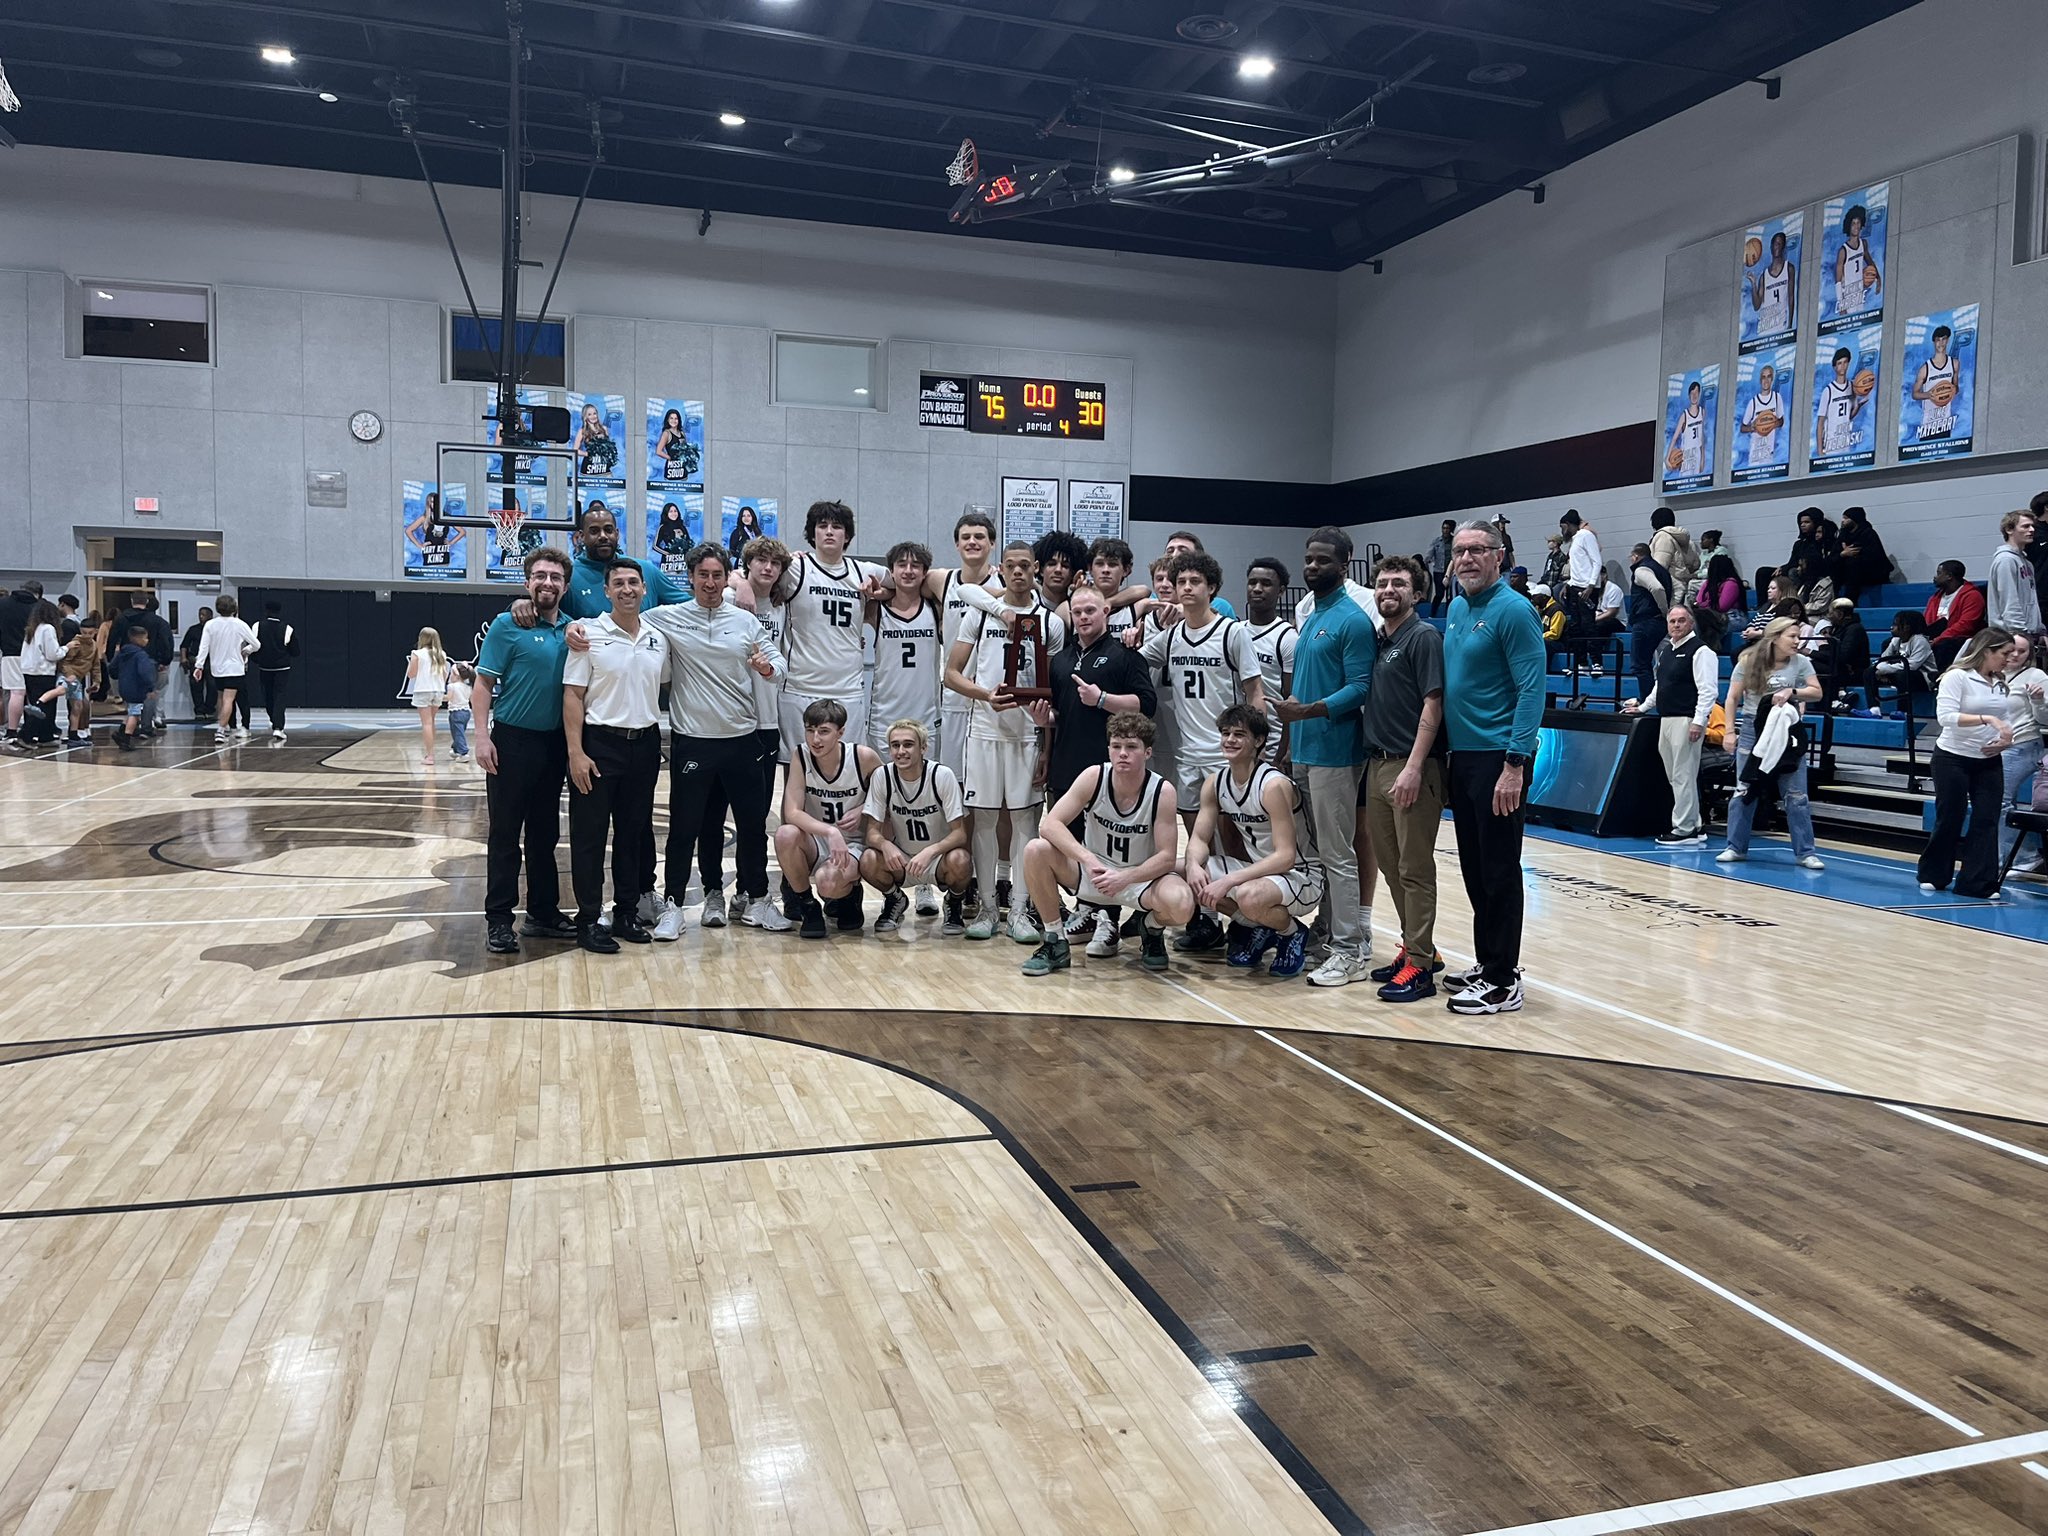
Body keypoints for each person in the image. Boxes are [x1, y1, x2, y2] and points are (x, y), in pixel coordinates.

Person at [635, 543, 785, 940]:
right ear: (691, 577)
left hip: (742, 739)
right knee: (687, 828)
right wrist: (577, 628)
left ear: (724, 579)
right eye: (703, 575)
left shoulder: (745, 621)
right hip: (694, 742)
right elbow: (625, 618)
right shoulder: (667, 617)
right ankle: (677, 904)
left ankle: (757, 899)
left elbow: (778, 662)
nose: (710, 582)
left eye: (718, 575)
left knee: (752, 826)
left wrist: (767, 668)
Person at [1131, 549, 1265, 952]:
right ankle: (1208, 920)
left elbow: (1255, 691)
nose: (1186, 588)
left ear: (1212, 588)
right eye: (1181, 582)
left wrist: (1256, 748)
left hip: (1226, 754)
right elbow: (1132, 662)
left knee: (1234, 843)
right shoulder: (1171, 637)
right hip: (1188, 755)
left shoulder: (1231, 633)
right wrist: (1131, 635)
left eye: (1195, 582)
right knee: (1198, 844)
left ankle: (1247, 921)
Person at [1442, 519, 1545, 1015]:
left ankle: (1503, 981)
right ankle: (1489, 962)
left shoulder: (1515, 610)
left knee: (1500, 869)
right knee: (1475, 867)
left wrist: (1515, 763)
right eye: (1460, 551)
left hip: (1499, 758)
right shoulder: (1457, 607)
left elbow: (1531, 689)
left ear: (1499, 556)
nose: (1467, 559)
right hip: (1463, 758)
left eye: (1477, 550)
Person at [947, 540, 1066, 941]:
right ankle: (986, 909)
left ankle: (1018, 910)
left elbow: (1053, 690)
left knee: (1024, 821)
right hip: (983, 731)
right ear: (1001, 569)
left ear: (1036, 570)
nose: (1018, 572)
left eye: (1025, 566)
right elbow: (951, 674)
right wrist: (985, 695)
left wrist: (1047, 745)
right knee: (983, 819)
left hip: (1027, 735)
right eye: (1011, 566)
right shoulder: (980, 614)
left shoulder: (1050, 623)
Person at [1274, 527, 1376, 988]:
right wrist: (1292, 734)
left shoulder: (1353, 620)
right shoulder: (1313, 613)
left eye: (1323, 560)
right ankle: (1328, 931)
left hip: (1336, 751)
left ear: (1344, 564)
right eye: (1309, 559)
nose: (1312, 566)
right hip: (1305, 749)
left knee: (1338, 853)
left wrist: (1310, 711)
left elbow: (1360, 688)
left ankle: (1351, 949)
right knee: (1317, 854)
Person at [1018, 712, 1193, 976]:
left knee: (1182, 904)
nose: (1122, 753)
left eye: (1131, 747)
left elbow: (1167, 858)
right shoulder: (1094, 776)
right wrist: (1088, 859)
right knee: (1035, 850)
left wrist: (1125, 877)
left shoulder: (1162, 791)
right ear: (1108, 748)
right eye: (1116, 746)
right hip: (1095, 873)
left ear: (1147, 752)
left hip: (1138, 878)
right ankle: (1055, 941)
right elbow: (1050, 825)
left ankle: (1151, 928)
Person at [562, 559, 669, 953]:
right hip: (599, 745)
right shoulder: (587, 634)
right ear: (606, 591)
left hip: (644, 744)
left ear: (644, 589)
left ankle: (626, 912)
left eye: (633, 583)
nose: (627, 589)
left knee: (633, 834)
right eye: (619, 583)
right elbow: (572, 695)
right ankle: (589, 919)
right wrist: (576, 752)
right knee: (589, 836)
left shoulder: (658, 638)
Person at [475, 547, 577, 956]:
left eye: (555, 577)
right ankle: (499, 919)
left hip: (553, 745)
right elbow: (483, 684)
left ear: (565, 586)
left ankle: (542, 912)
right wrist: (482, 737)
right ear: (527, 582)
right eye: (540, 576)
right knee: (504, 835)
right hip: (512, 741)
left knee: (544, 835)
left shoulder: (573, 630)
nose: (547, 583)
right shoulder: (507, 625)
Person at [1358, 555, 1446, 1002]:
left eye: (1398, 583)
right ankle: (1415, 947)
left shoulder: (1423, 636)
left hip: (1411, 766)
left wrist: (1414, 766)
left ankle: (1421, 967)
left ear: (1417, 593)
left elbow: (1434, 703)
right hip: (1376, 764)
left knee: (1414, 868)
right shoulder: (1379, 639)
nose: (1388, 590)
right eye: (1382, 583)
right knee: (1391, 866)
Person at [1183, 705, 1320, 979]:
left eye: (1239, 734)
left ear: (1258, 741)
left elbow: (1285, 857)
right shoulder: (1215, 782)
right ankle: (1261, 926)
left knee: (1248, 895)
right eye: (1225, 733)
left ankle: (1291, 933)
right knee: (1182, 875)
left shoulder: (1273, 785)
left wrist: (1229, 880)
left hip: (1301, 876)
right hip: (1260, 874)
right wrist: (1192, 866)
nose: (1230, 740)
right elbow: (1199, 838)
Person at [772, 500, 881, 757]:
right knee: (797, 766)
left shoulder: (863, 571)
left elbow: (906, 581)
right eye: (822, 526)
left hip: (848, 689)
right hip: (799, 687)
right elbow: (748, 572)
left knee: (849, 766)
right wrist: (740, 583)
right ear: (812, 534)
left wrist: (880, 592)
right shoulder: (794, 568)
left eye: (837, 526)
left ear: (847, 536)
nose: (829, 531)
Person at [1042, 583, 1157, 823]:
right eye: (1077, 612)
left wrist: (1102, 699)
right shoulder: (1060, 660)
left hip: (1111, 770)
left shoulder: (1126, 655)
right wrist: (1045, 719)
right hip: (1065, 769)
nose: (1083, 617)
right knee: (1062, 840)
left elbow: (1147, 705)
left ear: (1105, 611)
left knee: (1106, 842)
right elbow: (1062, 713)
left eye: (1090, 610)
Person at [1718, 616, 1825, 871]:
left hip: (1787, 732)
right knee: (1744, 790)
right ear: (1775, 638)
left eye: (1798, 636)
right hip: (1753, 729)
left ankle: (1805, 852)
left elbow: (1817, 691)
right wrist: (1729, 732)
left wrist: (1792, 692)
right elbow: (1732, 698)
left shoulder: (1801, 663)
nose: (1797, 641)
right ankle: (1735, 847)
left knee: (1796, 795)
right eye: (1792, 637)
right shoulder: (1748, 660)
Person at [1917, 627, 2014, 899]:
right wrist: (1987, 719)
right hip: (1952, 757)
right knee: (1950, 816)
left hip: (1989, 760)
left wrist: (2006, 739)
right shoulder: (1957, 677)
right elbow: (1946, 717)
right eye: (2004, 653)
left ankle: (1977, 882)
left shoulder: (2000, 682)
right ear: (1987, 651)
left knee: (1987, 819)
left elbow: (2007, 720)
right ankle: (1934, 874)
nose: (2009, 659)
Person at [775, 699, 881, 940]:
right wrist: (830, 832)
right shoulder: (801, 755)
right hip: (819, 840)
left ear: (840, 732)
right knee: (785, 834)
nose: (815, 739)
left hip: (853, 843)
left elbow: (889, 794)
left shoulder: (863, 757)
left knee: (828, 882)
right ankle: (808, 905)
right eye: (810, 730)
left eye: (824, 731)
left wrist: (864, 808)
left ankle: (849, 893)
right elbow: (792, 812)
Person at [860, 718, 971, 933]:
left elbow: (960, 834)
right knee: (868, 860)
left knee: (961, 860)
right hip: (903, 859)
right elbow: (872, 833)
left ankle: (954, 902)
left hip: (937, 859)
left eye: (908, 744)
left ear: (923, 748)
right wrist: (885, 845)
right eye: (895, 745)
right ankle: (895, 899)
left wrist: (931, 851)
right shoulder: (883, 776)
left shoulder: (942, 775)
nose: (901, 751)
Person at [734, 537, 793, 930]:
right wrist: (736, 581)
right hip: (729, 723)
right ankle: (722, 892)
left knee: (755, 815)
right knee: (718, 813)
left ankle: (749, 891)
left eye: (775, 563)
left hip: (767, 722)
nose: (768, 568)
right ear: (748, 564)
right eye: (760, 561)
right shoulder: (729, 596)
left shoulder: (782, 604)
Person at [1625, 605, 1718, 846]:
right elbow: (1660, 686)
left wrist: (1699, 721)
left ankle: (1684, 829)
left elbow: (1708, 691)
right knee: (1675, 776)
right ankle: (1695, 825)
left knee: (1683, 775)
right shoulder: (1667, 651)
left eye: (1681, 620)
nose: (1676, 625)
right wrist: (1643, 708)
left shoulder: (1701, 651)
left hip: (1686, 720)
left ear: (1691, 623)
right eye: (1672, 621)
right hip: (1666, 719)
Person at [867, 540, 945, 761]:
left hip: (926, 715)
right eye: (901, 565)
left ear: (925, 573)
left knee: (925, 778)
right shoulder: (875, 609)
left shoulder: (936, 609)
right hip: (884, 715)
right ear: (891, 571)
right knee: (883, 778)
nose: (908, 571)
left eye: (916, 566)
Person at [1997, 631, 2047, 873]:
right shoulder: (1991, 673)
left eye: (2022, 651)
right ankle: (2008, 855)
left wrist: (2038, 701)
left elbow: (2045, 719)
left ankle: (2023, 857)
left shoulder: (2036, 676)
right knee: (1997, 800)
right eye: (2012, 649)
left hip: (2023, 744)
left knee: (2000, 800)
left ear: (2030, 654)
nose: (2016, 654)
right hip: (1994, 746)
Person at [1243, 558, 1297, 767]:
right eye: (1252, 582)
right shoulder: (1236, 631)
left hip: (1272, 743)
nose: (1257, 589)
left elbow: (1291, 701)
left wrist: (1282, 753)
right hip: (1236, 740)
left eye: (1266, 584)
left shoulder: (1287, 637)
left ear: (1280, 591)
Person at [196, 597, 257, 745]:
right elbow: (256, 644)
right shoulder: (240, 624)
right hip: (234, 668)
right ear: (234, 608)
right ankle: (221, 730)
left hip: (217, 668)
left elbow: (204, 647)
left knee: (221, 698)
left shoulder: (210, 624)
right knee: (229, 699)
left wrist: (199, 666)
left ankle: (224, 726)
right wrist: (246, 650)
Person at [1864, 611, 1938, 716]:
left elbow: (1912, 666)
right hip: (1900, 673)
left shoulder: (1920, 641)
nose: (1891, 627)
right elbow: (1883, 659)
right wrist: (1880, 670)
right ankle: (1874, 709)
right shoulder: (1896, 640)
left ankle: (1903, 711)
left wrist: (1885, 670)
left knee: (1903, 674)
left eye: (1895, 624)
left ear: (1907, 627)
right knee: (1869, 672)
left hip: (1924, 678)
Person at [11, 601, 64, 748]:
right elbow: (53, 654)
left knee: (36, 704)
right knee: (43, 706)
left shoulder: (32, 629)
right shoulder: (48, 629)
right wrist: (66, 648)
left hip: (29, 672)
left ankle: (45, 736)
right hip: (43, 672)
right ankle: (26, 736)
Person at [1625, 543, 1675, 698]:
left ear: (1635, 556)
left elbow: (1657, 588)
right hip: (1658, 623)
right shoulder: (1662, 570)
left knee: (1640, 665)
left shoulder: (1641, 570)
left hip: (1646, 621)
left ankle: (1648, 702)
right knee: (1662, 664)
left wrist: (1665, 611)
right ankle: (1659, 699)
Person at [249, 601, 297, 742]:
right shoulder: (287, 628)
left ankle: (274, 721)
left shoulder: (257, 626)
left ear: (266, 611)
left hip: (264, 667)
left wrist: (257, 659)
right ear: (279, 611)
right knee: (280, 696)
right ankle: (278, 727)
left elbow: (253, 646)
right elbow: (295, 651)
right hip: (282, 668)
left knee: (268, 696)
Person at [1924, 560, 1986, 668]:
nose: (1935, 577)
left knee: (1945, 646)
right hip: (1936, 638)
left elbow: (1966, 625)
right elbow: (1926, 621)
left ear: (1949, 576)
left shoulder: (1972, 596)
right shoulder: (1935, 597)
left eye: (1939, 573)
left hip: (1959, 639)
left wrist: (1938, 639)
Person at [1988, 510, 2042, 634]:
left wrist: (2040, 629)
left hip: (2030, 633)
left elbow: (2032, 601)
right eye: (2026, 526)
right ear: (2009, 530)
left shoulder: (2027, 563)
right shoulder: (2006, 560)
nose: (2032, 530)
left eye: (2032, 526)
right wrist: (2020, 632)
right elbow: (2009, 601)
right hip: (2012, 635)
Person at [1815, 347, 1871, 463]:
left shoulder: (1853, 387)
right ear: (1835, 367)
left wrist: (1858, 407)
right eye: (1839, 363)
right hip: (1831, 446)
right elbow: (1820, 423)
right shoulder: (1828, 391)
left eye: (1845, 362)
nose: (1842, 366)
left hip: (1846, 444)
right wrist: (1820, 452)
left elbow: (1848, 416)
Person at [404, 627, 450, 764]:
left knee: (426, 723)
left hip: (423, 690)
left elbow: (411, 674)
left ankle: (430, 756)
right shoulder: (442, 654)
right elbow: (445, 674)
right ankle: (430, 753)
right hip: (438, 690)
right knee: (432, 722)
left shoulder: (417, 653)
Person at [110, 623, 157, 752]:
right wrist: (150, 687)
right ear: (138, 639)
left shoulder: (122, 652)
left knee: (130, 710)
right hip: (137, 688)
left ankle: (121, 732)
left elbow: (112, 668)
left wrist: (119, 676)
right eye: (145, 638)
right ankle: (126, 738)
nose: (147, 640)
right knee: (135, 714)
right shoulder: (141, 655)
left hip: (124, 686)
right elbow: (144, 673)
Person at [1738, 362, 1789, 476]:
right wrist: (1753, 428)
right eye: (1763, 377)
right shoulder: (1753, 402)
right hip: (1755, 455)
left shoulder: (1777, 398)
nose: (1766, 380)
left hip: (1770, 454)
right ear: (1760, 380)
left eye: (1769, 377)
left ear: (1772, 379)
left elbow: (1781, 421)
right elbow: (1742, 428)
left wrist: (1771, 424)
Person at [1835, 506, 1892, 601]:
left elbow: (1874, 557)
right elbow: (1834, 554)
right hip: (1850, 572)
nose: (1843, 521)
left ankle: (1850, 600)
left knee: (1852, 563)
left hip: (1871, 571)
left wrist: (1854, 554)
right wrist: (1843, 554)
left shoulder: (1868, 533)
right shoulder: (1843, 535)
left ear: (1854, 519)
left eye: (1846, 518)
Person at [1822, 597, 1869, 711]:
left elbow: (1844, 656)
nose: (1829, 617)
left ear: (1840, 614)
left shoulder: (1855, 629)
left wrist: (1829, 641)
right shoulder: (1837, 628)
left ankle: (1834, 699)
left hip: (1852, 671)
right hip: (1840, 668)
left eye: (1831, 613)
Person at [1835, 202, 1881, 314]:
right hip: (1848, 293)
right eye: (1853, 223)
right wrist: (1841, 304)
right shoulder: (1843, 251)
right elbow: (1838, 280)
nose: (1856, 226)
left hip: (1860, 291)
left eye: (1858, 223)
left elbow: (1870, 262)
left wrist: (1878, 279)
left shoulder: (1863, 244)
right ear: (1849, 226)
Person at [1749, 228, 1797, 335]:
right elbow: (1756, 306)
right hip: (1764, 329)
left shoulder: (1789, 268)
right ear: (1771, 247)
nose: (1777, 247)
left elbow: (1791, 297)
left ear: (1784, 247)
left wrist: (1790, 324)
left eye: (1780, 244)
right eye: (1775, 244)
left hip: (1781, 327)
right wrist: (1753, 284)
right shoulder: (1764, 276)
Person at [1649, 507, 1699, 598]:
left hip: (1671, 588)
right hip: (1685, 586)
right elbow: (1696, 564)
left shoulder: (1663, 536)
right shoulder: (1688, 541)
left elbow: (1659, 566)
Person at [1665, 379, 1707, 479]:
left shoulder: (1702, 412)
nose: (1694, 395)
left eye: (1696, 392)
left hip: (1697, 456)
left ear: (1699, 394)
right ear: (1689, 395)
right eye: (1692, 393)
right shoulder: (1684, 415)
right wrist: (1667, 459)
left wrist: (1703, 459)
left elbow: (1702, 438)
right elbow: (1674, 438)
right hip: (1686, 457)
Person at [179, 605, 215, 722]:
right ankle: (199, 710)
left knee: (213, 686)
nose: (201, 617)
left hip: (211, 660)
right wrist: (183, 658)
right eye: (200, 614)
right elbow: (184, 645)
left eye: (203, 614)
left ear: (210, 616)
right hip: (195, 659)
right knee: (196, 685)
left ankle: (209, 709)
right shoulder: (193, 630)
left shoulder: (215, 629)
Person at [1560, 510, 1602, 602]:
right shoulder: (1575, 539)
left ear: (1568, 524)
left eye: (1562, 528)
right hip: (1575, 586)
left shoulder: (1586, 535)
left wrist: (1591, 586)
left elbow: (1597, 562)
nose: (1562, 532)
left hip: (1586, 588)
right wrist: (1568, 584)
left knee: (1585, 612)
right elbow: (1577, 567)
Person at [571, 400, 619, 480]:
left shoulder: (604, 428)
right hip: (589, 469)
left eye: (594, 413)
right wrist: (588, 454)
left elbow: (609, 446)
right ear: (585, 416)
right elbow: (575, 450)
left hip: (604, 468)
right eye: (589, 414)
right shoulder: (582, 431)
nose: (593, 416)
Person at [1425, 520, 1457, 615]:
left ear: (1451, 529)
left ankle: (1448, 614)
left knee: (1450, 595)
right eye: (1443, 528)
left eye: (1447, 528)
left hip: (1451, 571)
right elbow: (1429, 554)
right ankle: (1432, 614)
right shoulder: (1437, 541)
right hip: (1439, 571)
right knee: (1439, 594)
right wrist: (1428, 560)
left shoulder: (1454, 541)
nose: (1445, 530)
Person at [446, 664, 475, 762]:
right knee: (459, 731)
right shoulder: (468, 687)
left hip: (456, 712)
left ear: (456, 675)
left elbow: (448, 698)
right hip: (466, 712)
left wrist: (438, 697)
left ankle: (463, 753)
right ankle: (456, 749)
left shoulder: (452, 686)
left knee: (457, 733)